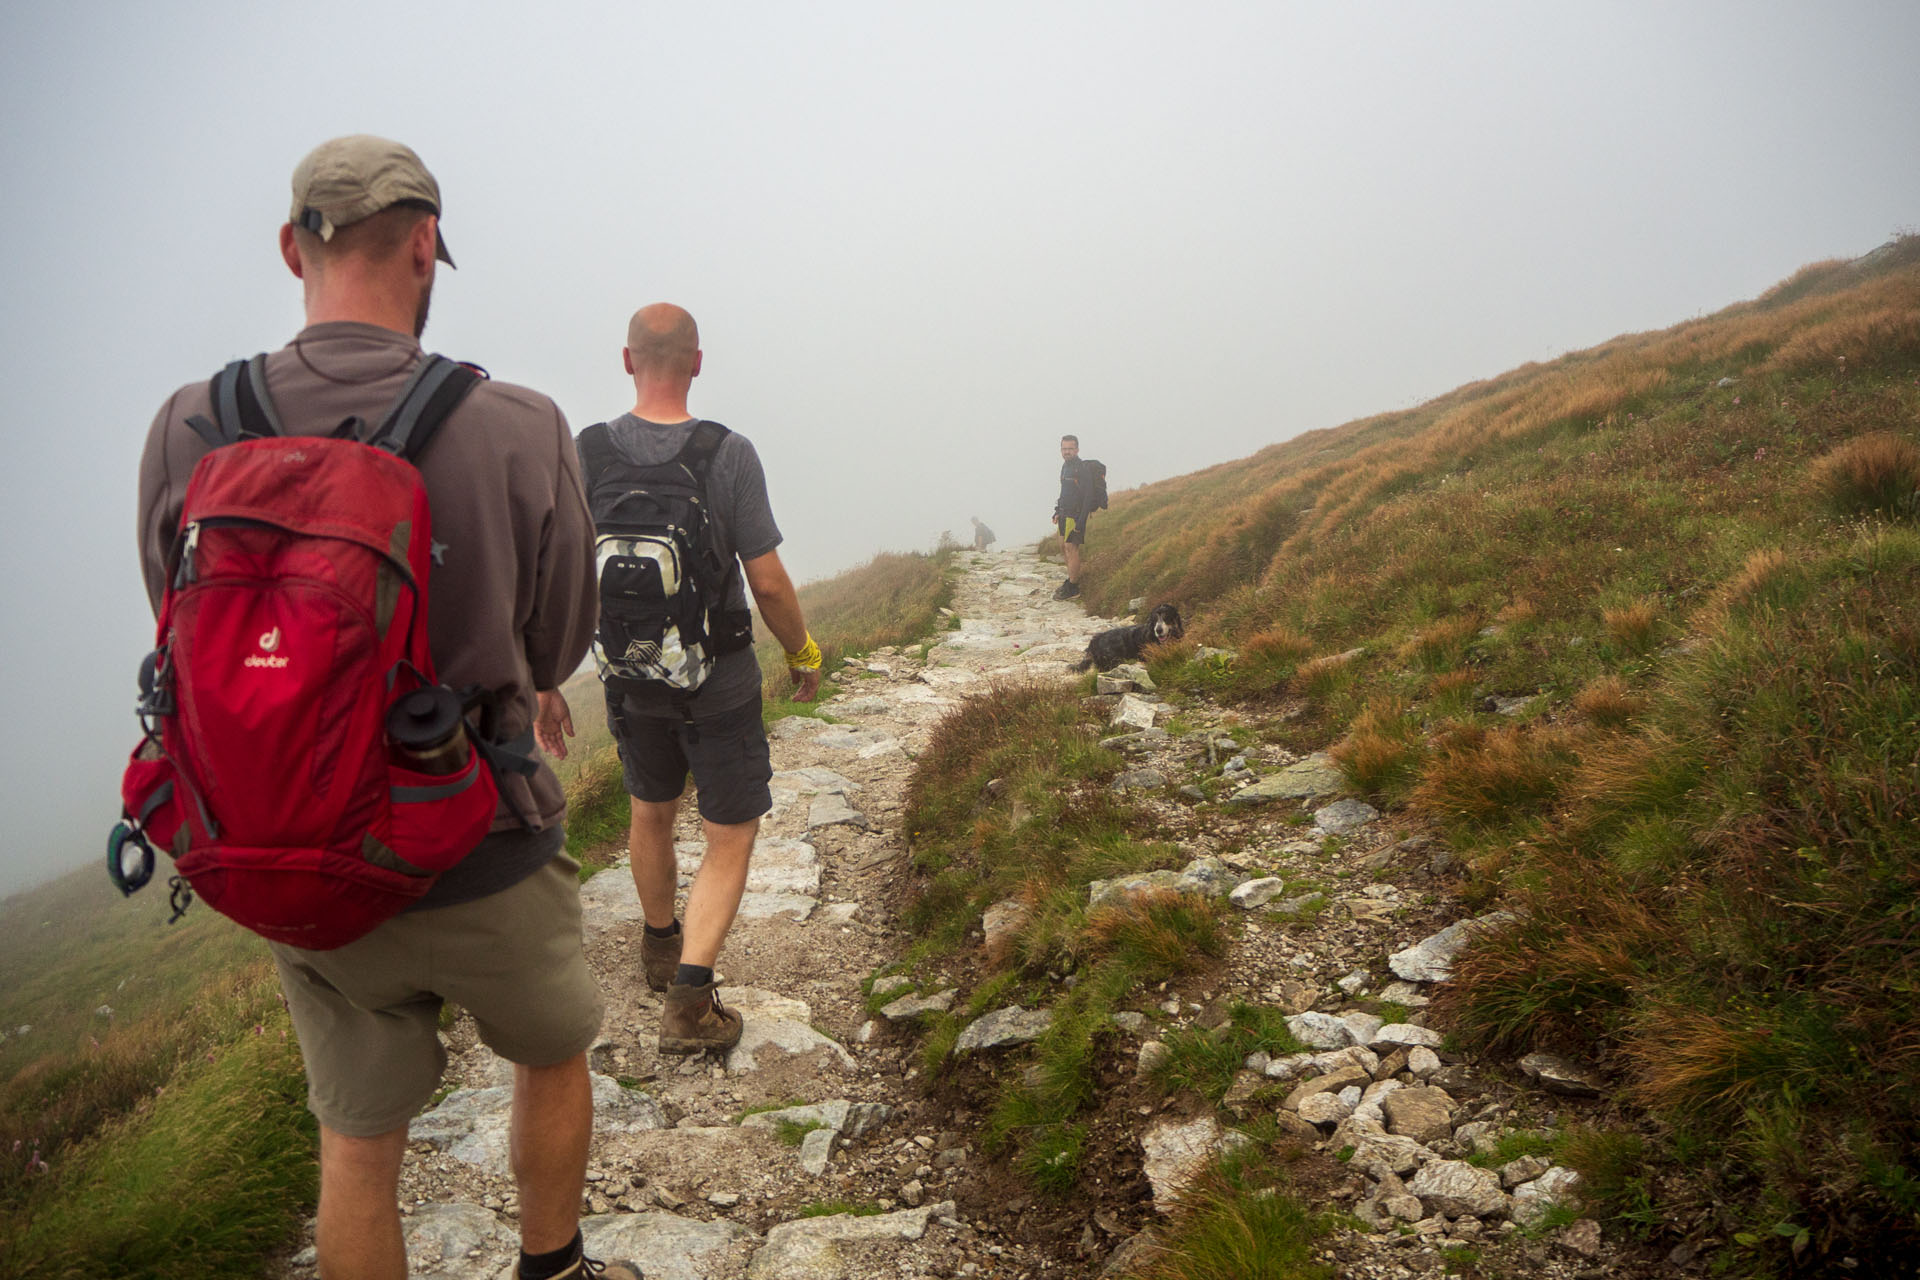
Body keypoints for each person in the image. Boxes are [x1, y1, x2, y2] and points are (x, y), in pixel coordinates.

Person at [136, 136, 635, 1280]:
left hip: (302, 860)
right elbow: (559, 642)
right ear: (425, 246)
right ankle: (552, 1266)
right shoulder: (514, 420)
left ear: (288, 246)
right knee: (554, 1054)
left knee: (357, 1143)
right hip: (487, 839)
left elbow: (183, 627)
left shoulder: (190, 423)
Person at [561, 302, 821, 1054]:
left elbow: (564, 571)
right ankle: (690, 1000)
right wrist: (802, 655)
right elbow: (767, 581)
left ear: (626, 359)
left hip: (629, 674)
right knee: (729, 833)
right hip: (719, 679)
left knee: (651, 810)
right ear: (697, 362)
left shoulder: (589, 452)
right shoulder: (726, 453)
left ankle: (657, 945)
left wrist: (551, 676)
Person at [1052, 433, 1093, 599]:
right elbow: (1065, 492)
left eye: (1070, 449)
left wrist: (1081, 521)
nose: (1066, 452)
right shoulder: (1065, 466)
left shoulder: (1081, 468)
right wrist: (1056, 510)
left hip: (1075, 515)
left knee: (1071, 548)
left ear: (1077, 449)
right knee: (1063, 547)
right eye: (1064, 449)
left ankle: (1074, 586)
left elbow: (1088, 496)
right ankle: (1071, 579)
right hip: (1063, 513)